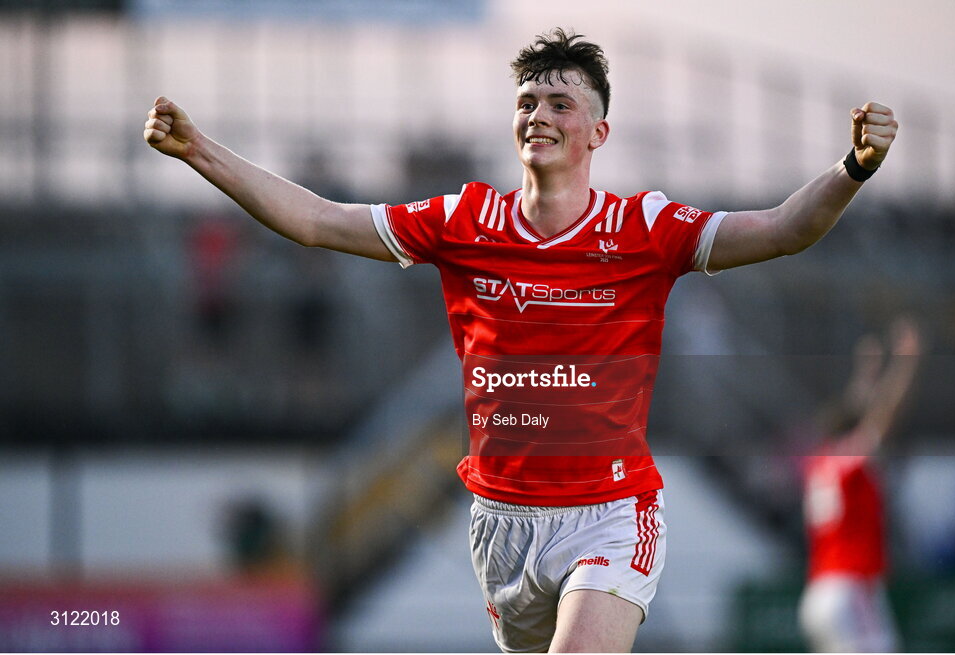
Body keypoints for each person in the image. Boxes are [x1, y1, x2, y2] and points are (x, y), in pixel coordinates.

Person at [144, 28, 899, 653]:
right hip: (500, 525)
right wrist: (199, 151)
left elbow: (784, 229)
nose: (539, 113)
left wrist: (853, 166)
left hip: (610, 510)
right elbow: (315, 220)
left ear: (598, 131)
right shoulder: (463, 219)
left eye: (561, 102)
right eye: (528, 100)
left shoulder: (644, 227)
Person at [798, 318, 922, 652]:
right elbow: (883, 414)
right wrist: (906, 362)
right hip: (851, 587)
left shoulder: (819, 462)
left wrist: (866, 371)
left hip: (818, 591)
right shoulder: (851, 461)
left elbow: (855, 410)